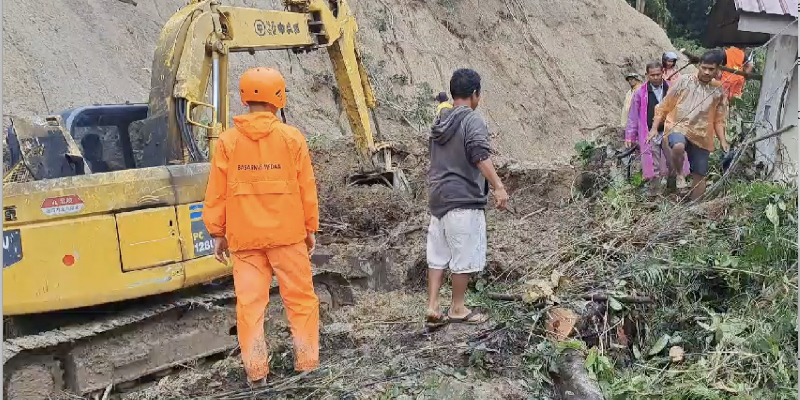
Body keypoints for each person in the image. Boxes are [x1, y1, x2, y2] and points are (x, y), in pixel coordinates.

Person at [203, 67, 320, 386]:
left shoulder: (228, 142)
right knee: (301, 302)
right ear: (278, 98)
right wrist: (310, 228)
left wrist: (217, 232)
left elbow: (216, 191)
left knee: (250, 309)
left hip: (245, 241)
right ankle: (307, 366)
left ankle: (257, 376)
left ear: (244, 98)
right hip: (288, 237)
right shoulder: (291, 138)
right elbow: (306, 188)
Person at [426, 69, 508, 327]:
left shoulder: (440, 122)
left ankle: (432, 305)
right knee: (465, 256)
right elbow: (479, 154)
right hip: (463, 198)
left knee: (438, 255)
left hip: (438, 199)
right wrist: (497, 186)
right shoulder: (472, 120)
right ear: (474, 94)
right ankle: (458, 308)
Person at [650, 50, 730, 200]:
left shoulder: (718, 90)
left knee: (700, 174)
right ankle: (680, 175)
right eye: (704, 67)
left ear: (718, 69)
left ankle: (694, 207)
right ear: (698, 66)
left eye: (711, 69)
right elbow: (664, 106)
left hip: (702, 134)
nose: (706, 72)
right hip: (678, 125)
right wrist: (654, 128)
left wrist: (723, 140)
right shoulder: (683, 81)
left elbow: (719, 119)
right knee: (678, 146)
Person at [625, 61, 690, 194]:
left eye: (658, 74)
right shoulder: (640, 93)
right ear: (647, 75)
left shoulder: (672, 88)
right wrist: (630, 135)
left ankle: (676, 185)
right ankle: (655, 191)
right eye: (652, 75)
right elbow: (633, 115)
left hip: (669, 129)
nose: (655, 77)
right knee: (652, 160)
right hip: (649, 131)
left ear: (663, 73)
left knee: (673, 156)